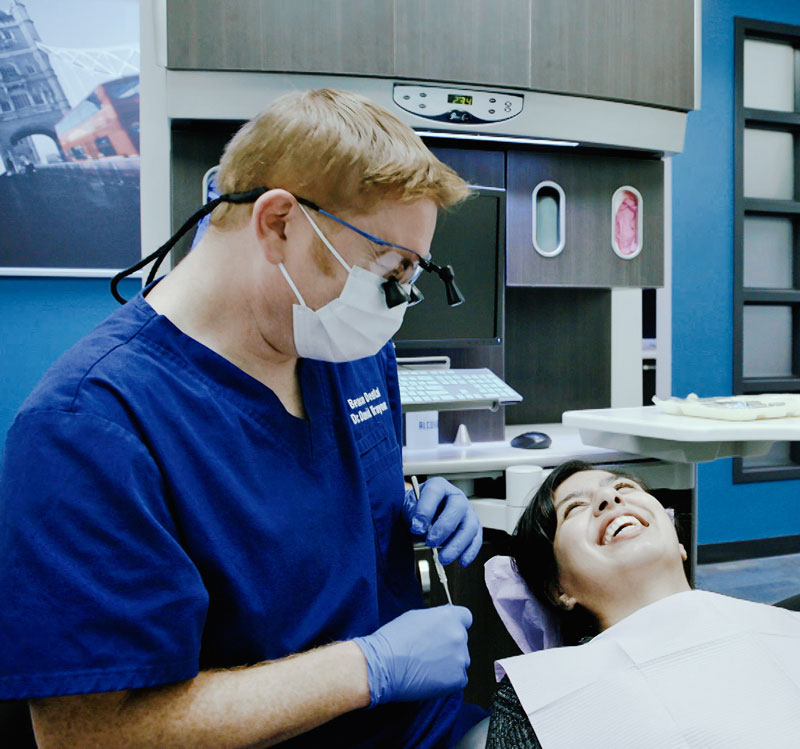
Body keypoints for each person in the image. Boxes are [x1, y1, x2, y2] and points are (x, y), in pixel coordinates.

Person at [0, 89, 485, 747]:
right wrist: (364, 669)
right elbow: (90, 735)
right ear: (280, 222)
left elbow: (320, 504)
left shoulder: (343, 346)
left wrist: (409, 512)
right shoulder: (90, 427)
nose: (397, 301)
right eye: (389, 269)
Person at [485, 460, 800, 748]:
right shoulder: (535, 697)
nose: (610, 499)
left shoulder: (787, 629)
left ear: (678, 542)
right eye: (575, 508)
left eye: (623, 487)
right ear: (558, 589)